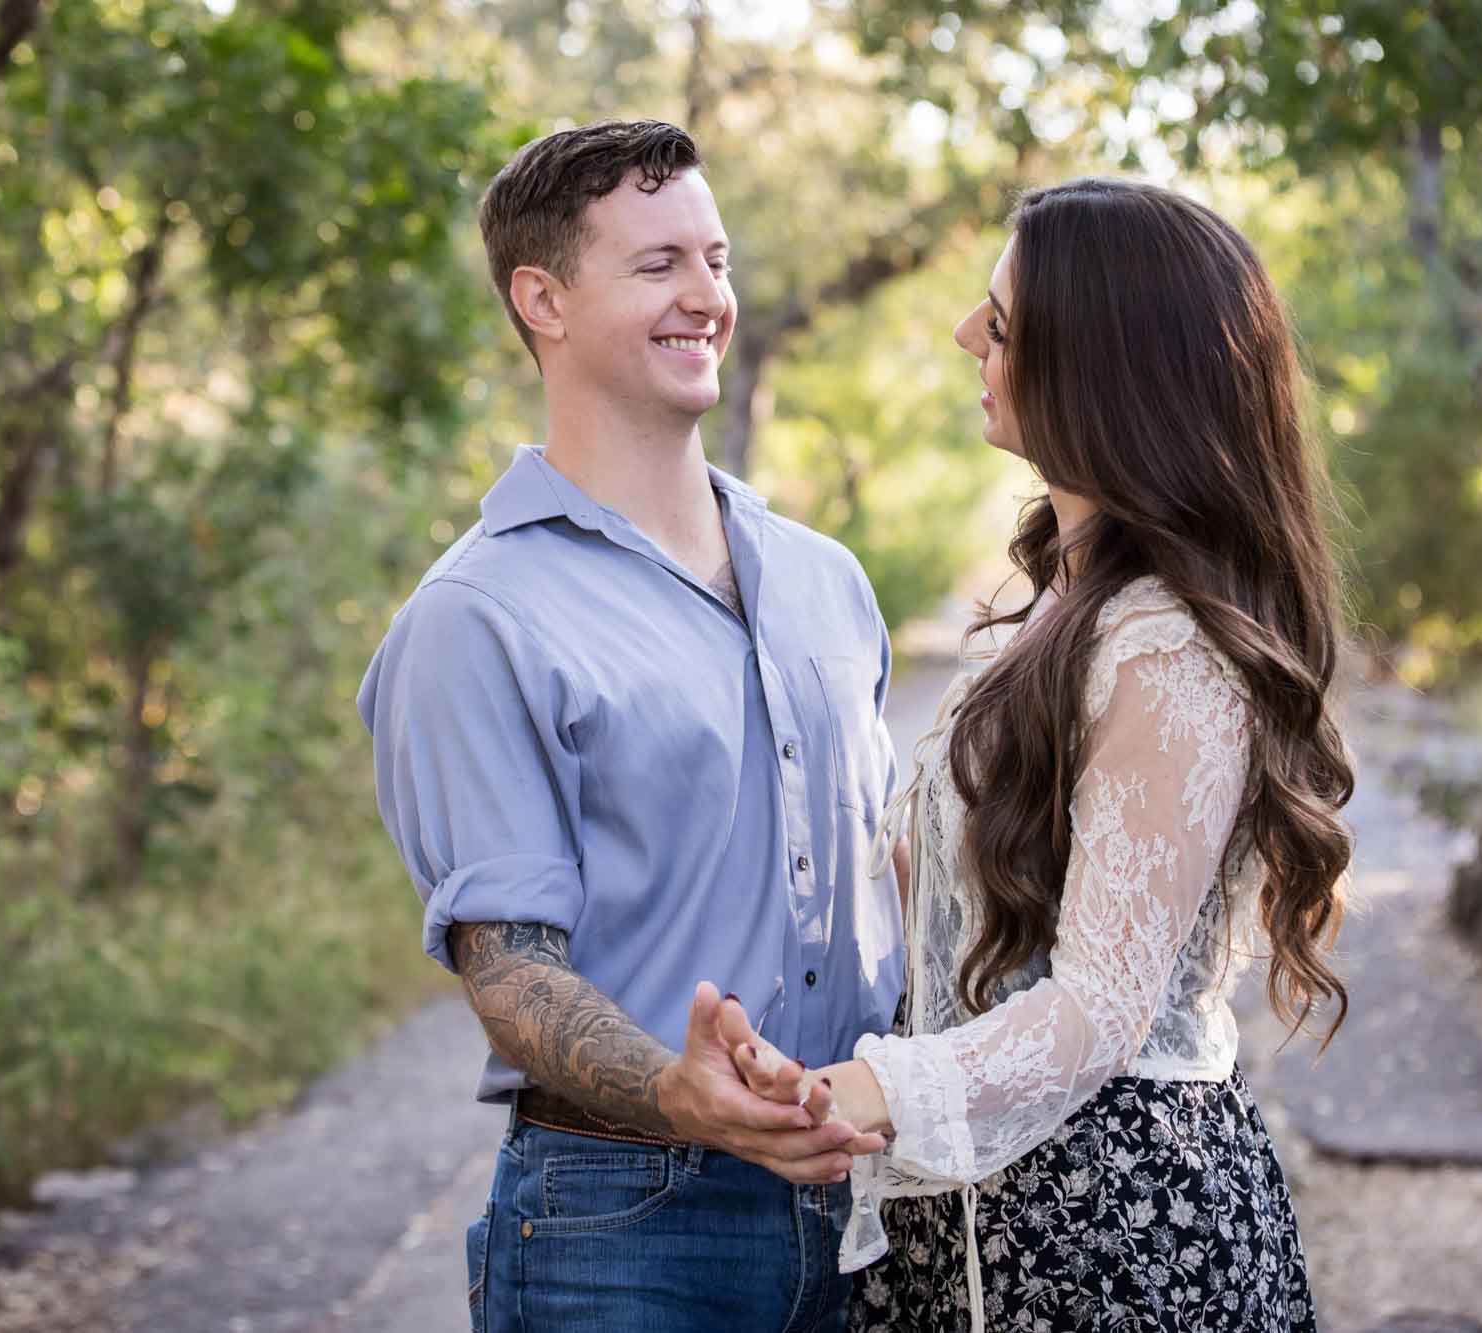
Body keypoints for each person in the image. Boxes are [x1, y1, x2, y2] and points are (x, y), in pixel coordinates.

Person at [723, 177, 1357, 1333]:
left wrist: (857, 1092)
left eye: (1001, 323)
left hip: (1110, 1239)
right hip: (982, 1221)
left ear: (1102, 371)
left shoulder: (1165, 645)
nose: (967, 334)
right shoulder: (1068, 608)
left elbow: (1098, 1007)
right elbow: (951, 910)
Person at [356, 120, 904, 1333]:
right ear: (541, 300)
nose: (707, 296)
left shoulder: (826, 580)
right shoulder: (476, 616)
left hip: (871, 1203)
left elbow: (896, 872)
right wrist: (677, 1088)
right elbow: (509, 971)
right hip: (627, 1229)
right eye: (657, 265)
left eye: (714, 260)